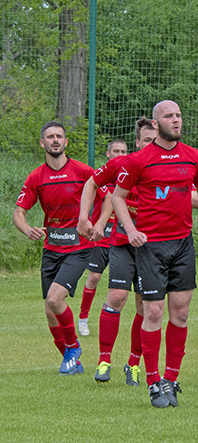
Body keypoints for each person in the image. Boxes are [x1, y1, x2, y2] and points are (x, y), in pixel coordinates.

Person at [111, 100, 198, 408]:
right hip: (150, 246)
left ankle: (171, 378)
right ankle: (154, 382)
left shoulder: (193, 156)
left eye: (179, 115)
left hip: (182, 243)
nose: (176, 120)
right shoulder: (139, 160)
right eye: (169, 116)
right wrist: (130, 231)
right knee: (153, 312)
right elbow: (117, 197)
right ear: (156, 124)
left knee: (180, 314)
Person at [13, 120, 109, 375]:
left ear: (66, 142)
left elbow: (109, 197)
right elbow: (19, 213)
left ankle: (73, 348)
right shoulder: (36, 176)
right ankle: (73, 362)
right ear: (42, 143)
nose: (55, 140)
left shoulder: (83, 171)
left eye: (59, 136)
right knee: (49, 309)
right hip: (51, 247)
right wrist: (27, 229)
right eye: (50, 136)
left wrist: (98, 223)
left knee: (56, 299)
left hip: (79, 247)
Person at [78, 117, 157, 385]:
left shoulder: (168, 165)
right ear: (137, 143)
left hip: (153, 246)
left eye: (155, 140)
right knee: (116, 297)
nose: (152, 145)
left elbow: (193, 194)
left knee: (145, 306)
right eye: (147, 140)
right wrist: (84, 218)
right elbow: (94, 184)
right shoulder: (124, 165)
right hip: (123, 241)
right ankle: (104, 360)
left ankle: (133, 364)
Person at [77, 139, 129, 337]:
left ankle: (113, 318)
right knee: (94, 277)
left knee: (123, 288)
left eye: (123, 151)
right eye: (116, 151)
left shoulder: (133, 174)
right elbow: (105, 197)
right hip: (103, 235)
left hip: (124, 237)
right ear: (108, 154)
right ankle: (83, 318)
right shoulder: (102, 178)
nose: (120, 155)